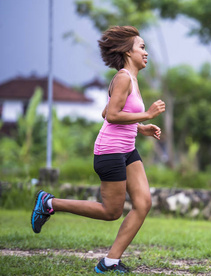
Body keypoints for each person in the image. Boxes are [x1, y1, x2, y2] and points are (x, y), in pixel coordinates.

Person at [31, 25, 165, 274]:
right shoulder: (124, 77)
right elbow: (112, 116)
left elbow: (107, 112)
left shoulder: (131, 79)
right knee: (111, 211)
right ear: (128, 51)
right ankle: (49, 203)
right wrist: (146, 114)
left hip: (127, 150)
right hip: (110, 152)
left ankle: (110, 262)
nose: (146, 53)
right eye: (142, 47)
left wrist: (141, 127)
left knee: (143, 203)